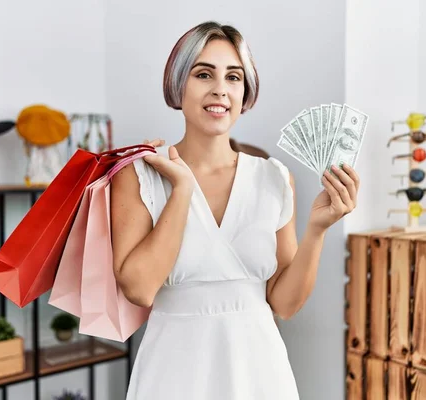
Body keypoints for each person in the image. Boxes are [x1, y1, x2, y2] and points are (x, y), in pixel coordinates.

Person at [110, 21, 360, 399]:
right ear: (178, 84)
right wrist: (181, 190)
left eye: (234, 77)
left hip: (259, 370)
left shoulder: (274, 178)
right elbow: (140, 289)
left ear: (246, 93)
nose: (220, 90)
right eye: (203, 73)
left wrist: (318, 229)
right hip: (173, 371)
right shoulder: (140, 174)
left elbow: (285, 304)